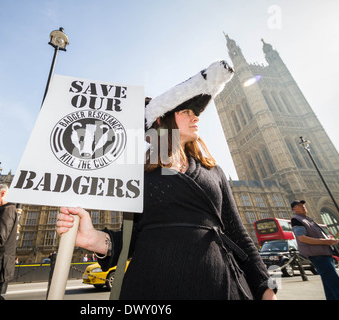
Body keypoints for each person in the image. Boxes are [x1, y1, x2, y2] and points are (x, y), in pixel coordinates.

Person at [57, 61, 277, 300]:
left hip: (218, 284)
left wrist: (265, 288)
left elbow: (238, 234)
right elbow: (132, 238)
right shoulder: (139, 175)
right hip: (153, 284)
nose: (196, 118)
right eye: (186, 112)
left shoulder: (214, 171)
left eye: (196, 113)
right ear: (161, 120)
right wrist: (94, 239)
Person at [291, 200, 339, 300]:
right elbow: (302, 238)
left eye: (303, 205)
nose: (303, 206)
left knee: (330, 287)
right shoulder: (297, 220)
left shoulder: (308, 219)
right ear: (294, 209)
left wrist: (329, 241)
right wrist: (325, 242)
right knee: (338, 287)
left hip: (324, 254)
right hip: (318, 255)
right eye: (299, 205)